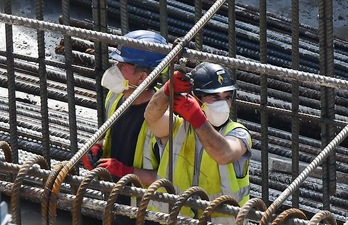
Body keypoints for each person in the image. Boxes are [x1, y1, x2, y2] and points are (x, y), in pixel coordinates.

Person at [144, 62, 252, 224]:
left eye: (227, 97)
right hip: (178, 220)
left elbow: (225, 154)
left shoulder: (238, 133)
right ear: (195, 98)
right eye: (214, 97)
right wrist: (166, 91)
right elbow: (151, 117)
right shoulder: (176, 128)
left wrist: (197, 118)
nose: (222, 104)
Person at [82, 30, 167, 225]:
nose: (115, 68)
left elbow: (169, 179)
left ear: (142, 76)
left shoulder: (163, 118)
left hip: (147, 214)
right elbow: (121, 136)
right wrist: (99, 147)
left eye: (122, 65)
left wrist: (125, 171)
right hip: (115, 204)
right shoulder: (116, 97)